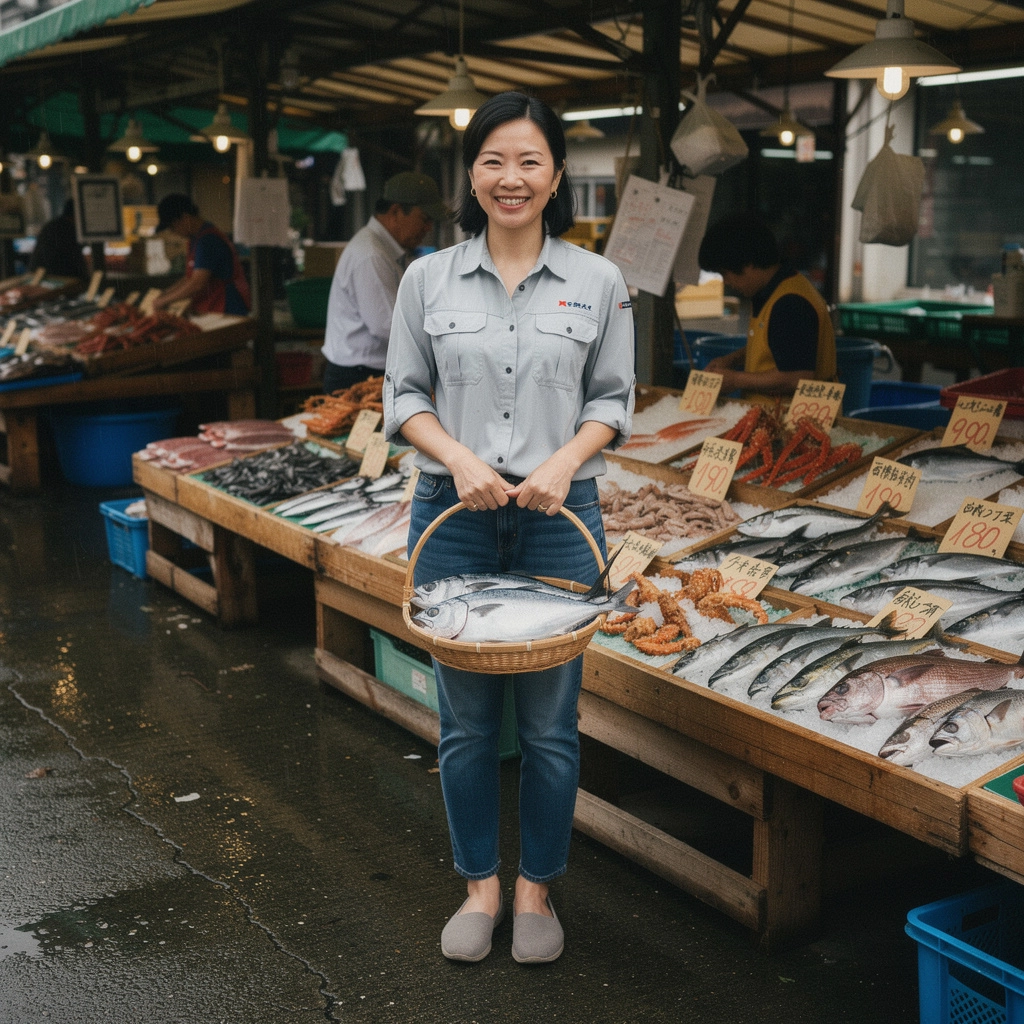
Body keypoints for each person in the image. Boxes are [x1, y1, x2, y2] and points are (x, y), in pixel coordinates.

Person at [383, 93, 634, 965]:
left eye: (529, 161)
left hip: (562, 520)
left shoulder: (597, 281)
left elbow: (613, 400)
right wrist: (457, 458)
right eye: (494, 160)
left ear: (557, 175)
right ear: (473, 176)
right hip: (452, 519)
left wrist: (563, 463)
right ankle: (480, 886)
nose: (511, 177)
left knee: (554, 727)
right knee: (464, 727)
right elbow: (403, 396)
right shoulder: (427, 278)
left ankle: (538, 890)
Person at [322, 171, 445, 394]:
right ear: (396, 212)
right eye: (424, 219)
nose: (428, 228)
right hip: (358, 376)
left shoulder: (391, 251)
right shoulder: (371, 254)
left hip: (370, 370)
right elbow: (387, 325)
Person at [697, 212, 835, 396]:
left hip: (798, 419)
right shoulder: (769, 290)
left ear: (749, 264)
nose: (726, 282)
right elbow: (780, 348)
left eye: (725, 273)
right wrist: (731, 360)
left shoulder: (790, 302)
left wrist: (736, 379)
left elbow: (797, 377)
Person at [151, 194, 250, 315]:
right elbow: (189, 278)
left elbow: (197, 283)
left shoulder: (208, 240)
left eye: (173, 227)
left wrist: (164, 301)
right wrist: (166, 293)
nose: (173, 232)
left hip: (227, 307)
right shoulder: (195, 239)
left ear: (185, 218)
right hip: (213, 306)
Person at [30, 199, 88, 282]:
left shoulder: (52, 226)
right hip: (54, 279)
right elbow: (75, 260)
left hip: (40, 276)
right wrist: (84, 279)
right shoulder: (67, 229)